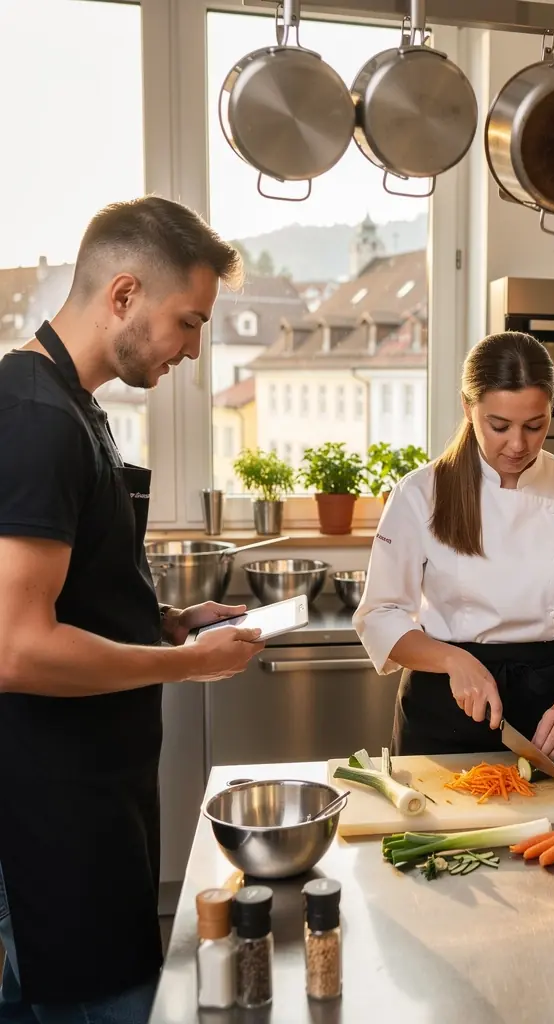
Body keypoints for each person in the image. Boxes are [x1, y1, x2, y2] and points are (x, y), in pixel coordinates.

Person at [0, 197, 265, 1023]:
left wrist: (166, 622)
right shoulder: (36, 420)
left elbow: (72, 594)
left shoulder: (72, 406)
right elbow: (17, 648)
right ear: (123, 296)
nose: (193, 347)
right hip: (54, 817)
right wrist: (186, 664)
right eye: (187, 322)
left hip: (98, 800)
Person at [354, 331, 554, 760]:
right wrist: (452, 660)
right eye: (498, 426)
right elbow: (379, 615)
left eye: (535, 425)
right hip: (446, 704)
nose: (518, 445)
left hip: (551, 712)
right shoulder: (420, 493)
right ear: (468, 408)